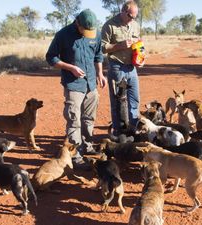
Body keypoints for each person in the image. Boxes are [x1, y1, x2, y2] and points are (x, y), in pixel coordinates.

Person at [46, 9, 107, 164]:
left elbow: (98, 55)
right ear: (77, 23)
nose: (88, 33)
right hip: (73, 85)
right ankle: (75, 155)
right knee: (74, 120)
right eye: (85, 30)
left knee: (89, 119)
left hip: (91, 83)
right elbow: (51, 57)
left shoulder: (95, 33)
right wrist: (70, 67)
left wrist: (100, 73)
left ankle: (87, 145)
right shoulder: (63, 35)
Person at [101, 1, 141, 137]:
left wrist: (141, 58)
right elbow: (102, 48)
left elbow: (139, 45)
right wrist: (119, 46)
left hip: (132, 68)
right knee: (118, 101)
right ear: (123, 11)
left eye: (135, 17)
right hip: (117, 66)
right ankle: (119, 132)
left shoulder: (135, 25)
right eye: (130, 16)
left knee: (134, 100)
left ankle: (133, 130)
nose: (132, 19)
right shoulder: (109, 25)